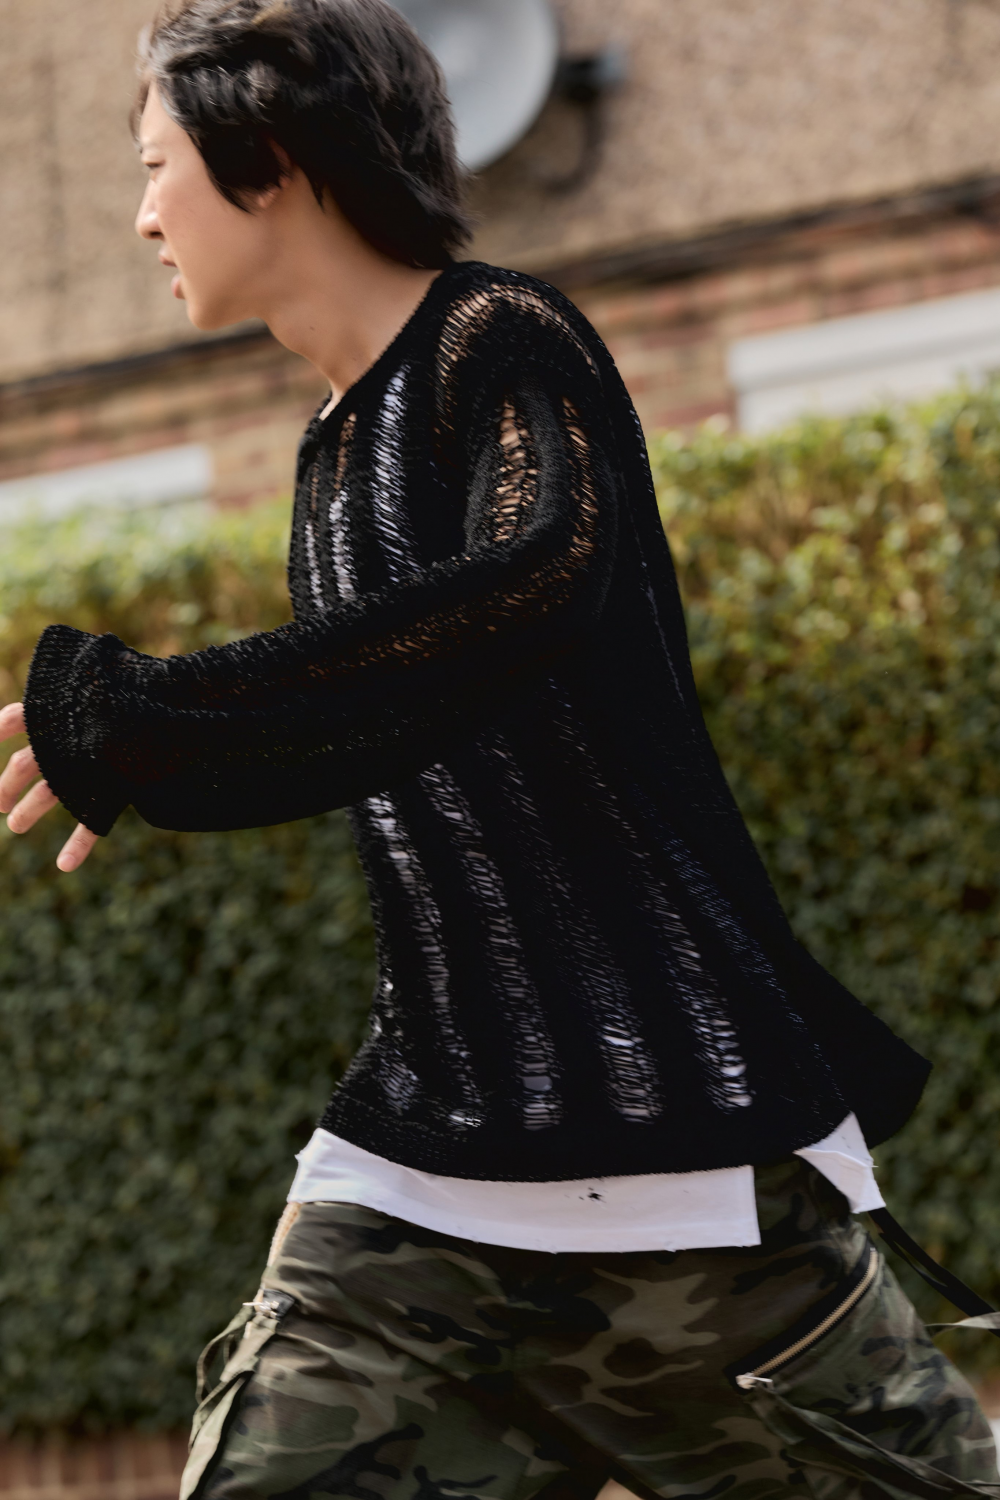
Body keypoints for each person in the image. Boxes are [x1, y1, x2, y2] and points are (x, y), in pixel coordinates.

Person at [1, 2, 997, 1496]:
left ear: (267, 159)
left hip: (680, 1163)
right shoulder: (329, 453)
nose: (143, 217)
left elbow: (531, 587)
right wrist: (149, 756)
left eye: (157, 167)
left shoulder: (498, 336)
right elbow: (382, 727)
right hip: (425, 1180)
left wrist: (166, 707)